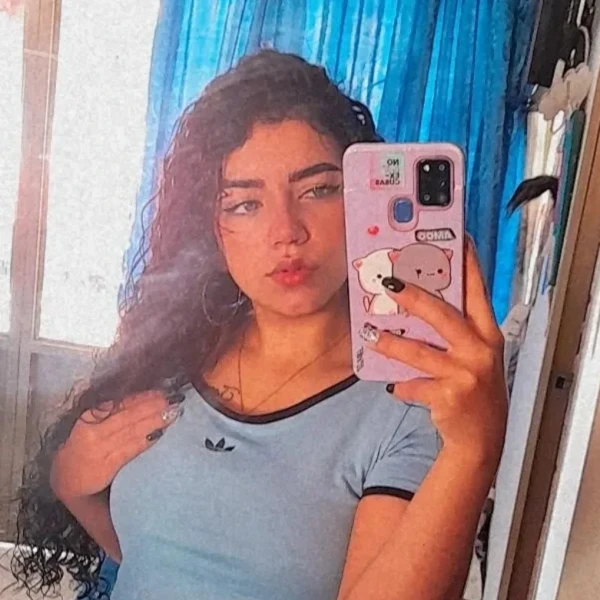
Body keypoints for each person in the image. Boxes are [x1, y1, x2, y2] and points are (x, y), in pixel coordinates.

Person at [12, 50, 508, 600]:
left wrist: (473, 451)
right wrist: (72, 483)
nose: (286, 231)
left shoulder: (412, 400)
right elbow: (160, 558)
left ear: (360, 202)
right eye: (245, 204)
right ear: (213, 228)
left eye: (318, 190)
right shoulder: (177, 352)